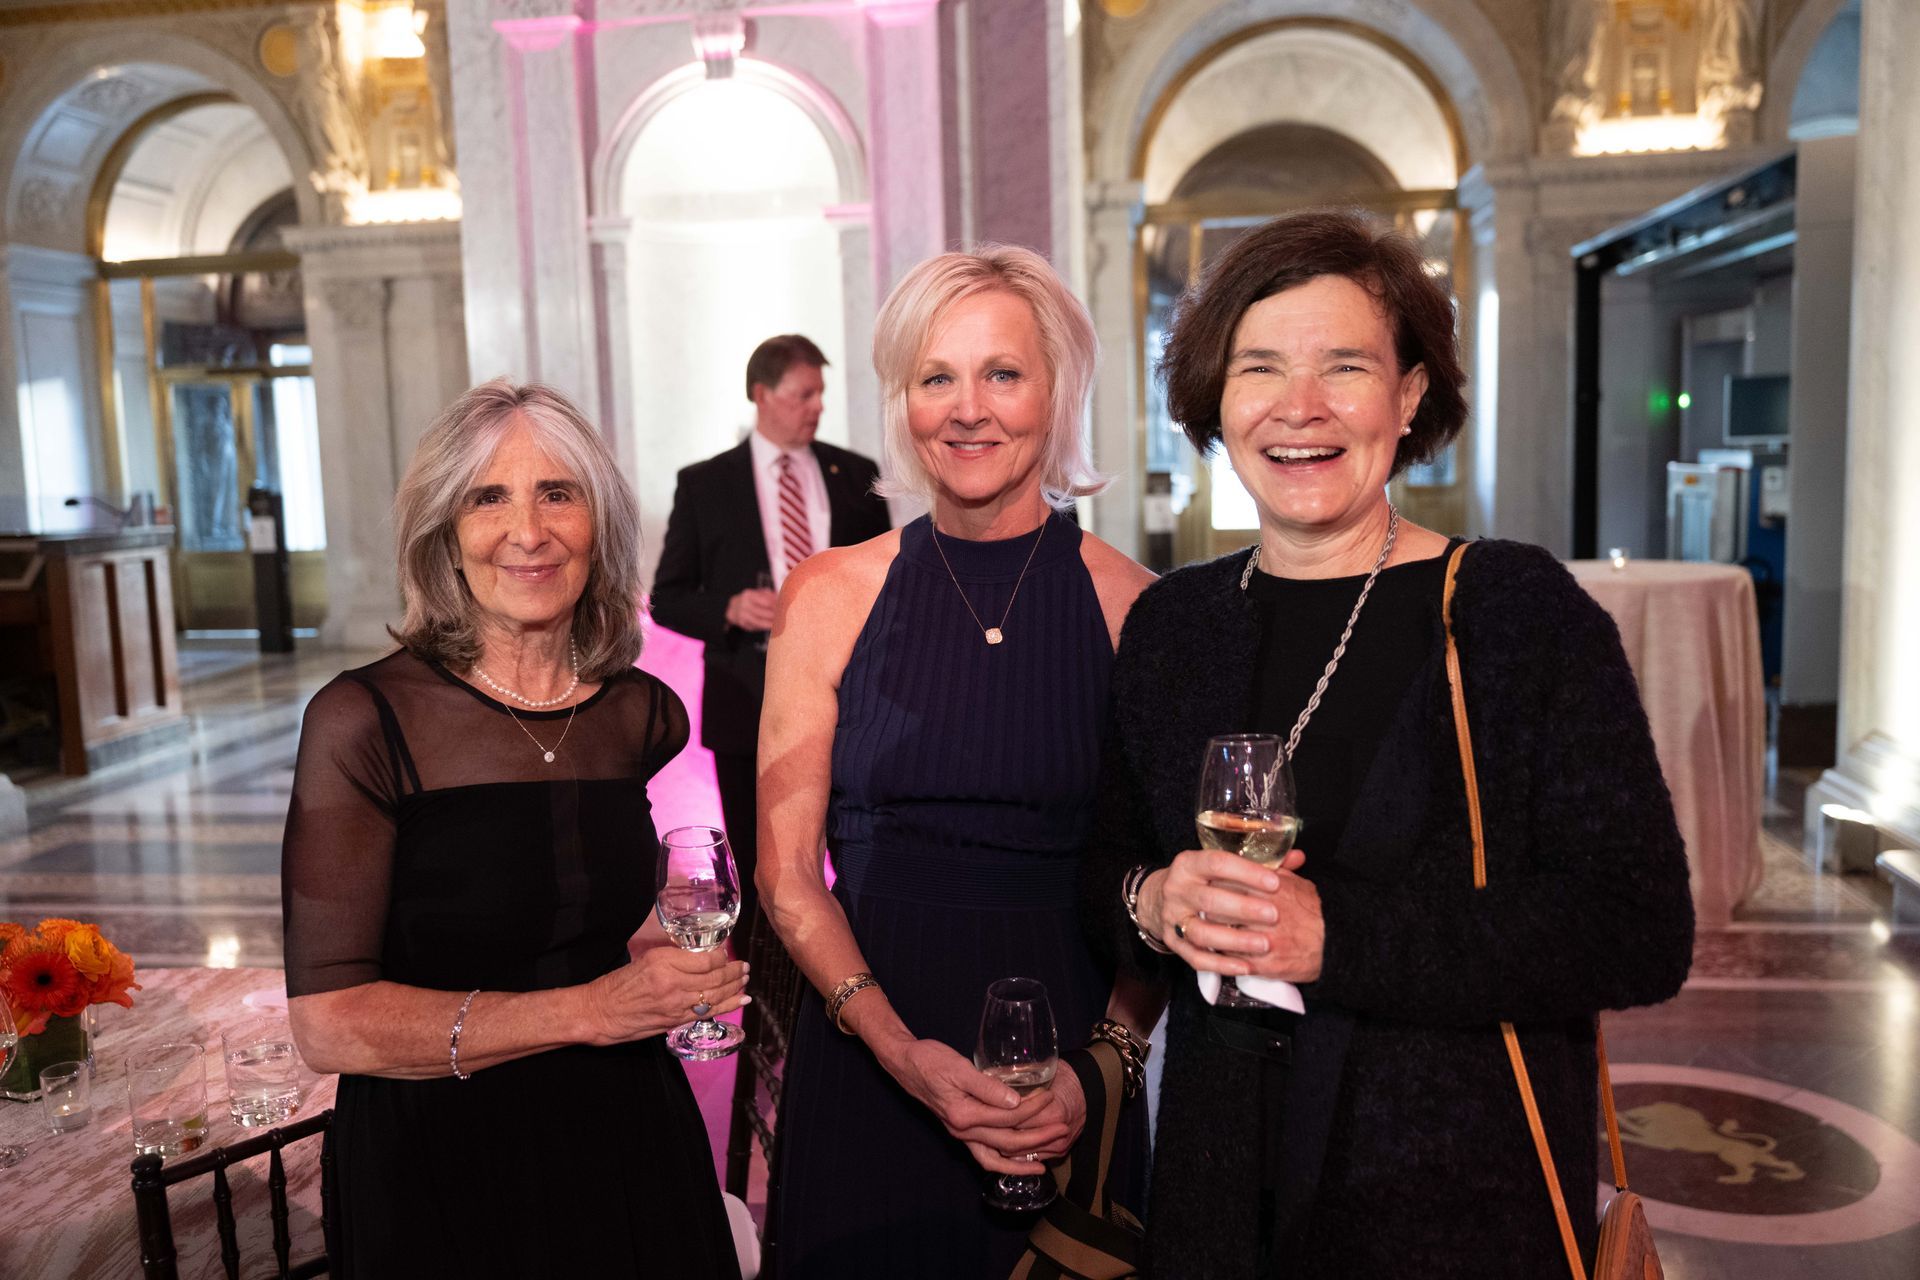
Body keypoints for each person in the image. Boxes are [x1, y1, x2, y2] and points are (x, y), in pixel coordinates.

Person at [1082, 211, 1695, 1278]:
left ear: (1411, 395)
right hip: (1216, 1192)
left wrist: (1340, 941)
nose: (1300, 407)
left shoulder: (1515, 612)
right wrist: (1152, 900)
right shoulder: (1174, 624)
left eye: (1346, 366)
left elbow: (1639, 924)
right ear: (1215, 401)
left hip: (1450, 1202)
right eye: (1259, 366)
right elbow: (1099, 862)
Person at [282, 380, 746, 1278]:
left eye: (557, 493)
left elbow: (558, 908)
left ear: (598, 524)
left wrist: (671, 954)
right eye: (488, 496)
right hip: (443, 1160)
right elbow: (328, 1026)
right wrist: (590, 1010)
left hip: (628, 1136)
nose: (527, 531)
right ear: (444, 534)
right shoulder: (362, 721)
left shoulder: (640, 715)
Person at [759, 247, 1159, 1277]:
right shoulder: (830, 592)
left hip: (1060, 1082)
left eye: (1003, 374)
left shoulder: (1137, 607)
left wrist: (1103, 1061)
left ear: (1057, 390)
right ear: (904, 398)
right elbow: (787, 871)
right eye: (937, 376)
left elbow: (1161, 884)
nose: (968, 409)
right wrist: (902, 1055)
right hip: (868, 1056)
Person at [651, 335, 892, 929]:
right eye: (802, 394)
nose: (816, 407)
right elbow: (667, 598)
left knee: (860, 859)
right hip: (746, 705)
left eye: (820, 394)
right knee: (764, 870)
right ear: (762, 394)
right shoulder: (706, 484)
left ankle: (856, 985)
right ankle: (765, 1008)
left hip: (854, 701)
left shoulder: (855, 475)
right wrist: (729, 608)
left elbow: (886, 584)